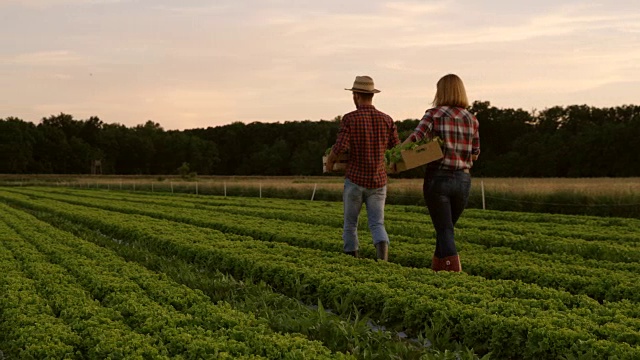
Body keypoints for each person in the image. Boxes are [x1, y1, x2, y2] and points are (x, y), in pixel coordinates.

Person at [401, 74, 480, 272]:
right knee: (446, 230)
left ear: (441, 91)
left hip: (438, 178)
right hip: (463, 180)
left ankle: (454, 273)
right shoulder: (472, 119)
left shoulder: (433, 114)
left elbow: (415, 137)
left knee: (444, 230)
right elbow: (476, 153)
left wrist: (396, 154)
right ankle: (437, 273)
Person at [325, 75, 400, 261]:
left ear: (356, 95)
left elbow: (340, 146)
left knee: (351, 224)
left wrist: (330, 162)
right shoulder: (387, 119)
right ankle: (382, 260)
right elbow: (397, 149)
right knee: (377, 223)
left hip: (355, 180)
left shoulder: (350, 119)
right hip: (378, 181)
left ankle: (352, 259)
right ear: (371, 95)